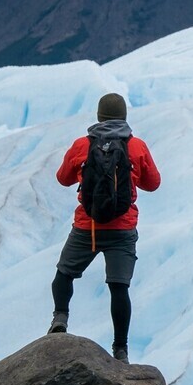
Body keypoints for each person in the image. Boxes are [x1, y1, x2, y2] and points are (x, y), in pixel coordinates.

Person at [49, 92, 161, 362]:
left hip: (87, 228)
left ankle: (60, 318)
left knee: (64, 273)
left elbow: (62, 179)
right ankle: (120, 350)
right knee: (119, 288)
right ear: (123, 116)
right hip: (122, 229)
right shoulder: (137, 147)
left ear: (99, 116)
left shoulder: (81, 146)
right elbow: (153, 183)